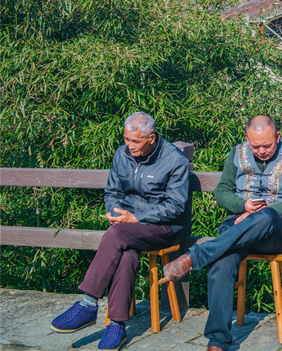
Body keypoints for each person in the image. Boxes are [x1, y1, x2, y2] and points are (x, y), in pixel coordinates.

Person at [163, 115, 282, 351]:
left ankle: (196, 255)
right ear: (247, 139)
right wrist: (243, 206)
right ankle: (218, 341)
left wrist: (260, 214)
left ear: (278, 137)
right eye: (255, 146)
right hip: (238, 224)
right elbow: (222, 192)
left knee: (267, 216)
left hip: (275, 230)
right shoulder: (236, 153)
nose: (261, 151)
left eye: (267, 145)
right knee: (221, 262)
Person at [50, 112, 190, 350]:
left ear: (151, 138)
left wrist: (138, 217)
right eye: (126, 139)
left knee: (116, 236)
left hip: (162, 227)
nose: (129, 145)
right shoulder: (121, 154)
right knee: (126, 254)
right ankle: (117, 325)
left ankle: (88, 303)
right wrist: (115, 213)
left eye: (135, 141)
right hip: (127, 228)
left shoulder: (175, 160)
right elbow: (112, 191)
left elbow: (176, 206)